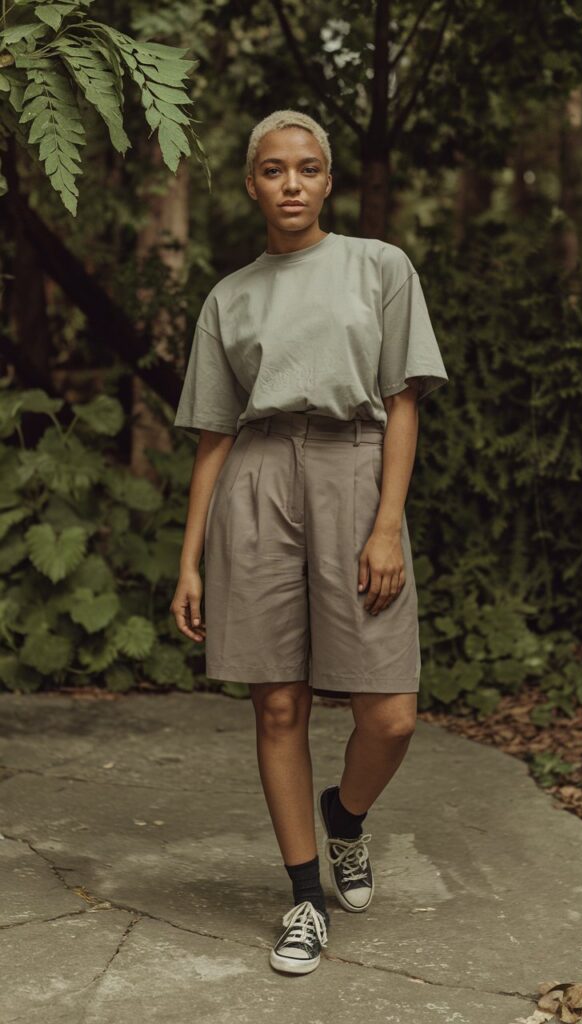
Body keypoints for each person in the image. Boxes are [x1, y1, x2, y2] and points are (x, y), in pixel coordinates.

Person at [170, 109, 448, 975]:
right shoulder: (231, 295)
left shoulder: (380, 267)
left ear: (328, 181)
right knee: (278, 704)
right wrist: (188, 560)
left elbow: (403, 399)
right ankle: (303, 898)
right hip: (255, 481)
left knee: (390, 712)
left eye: (306, 169)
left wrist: (384, 525)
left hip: (356, 471)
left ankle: (347, 817)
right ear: (252, 184)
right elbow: (214, 435)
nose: (291, 183)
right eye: (273, 170)